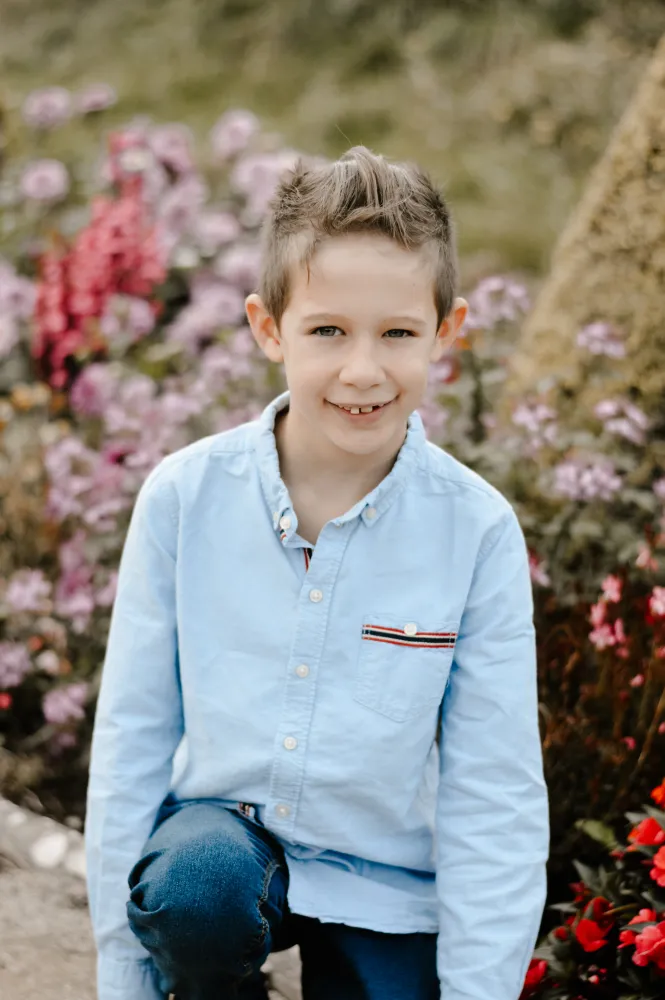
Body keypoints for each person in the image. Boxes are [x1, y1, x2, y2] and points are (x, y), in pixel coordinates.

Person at [84, 145, 550, 1000]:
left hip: (385, 879)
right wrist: (125, 977)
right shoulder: (184, 498)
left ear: (446, 332)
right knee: (197, 890)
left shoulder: (476, 531)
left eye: (397, 333)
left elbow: (495, 789)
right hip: (223, 848)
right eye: (327, 330)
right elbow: (132, 739)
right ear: (269, 329)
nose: (362, 370)